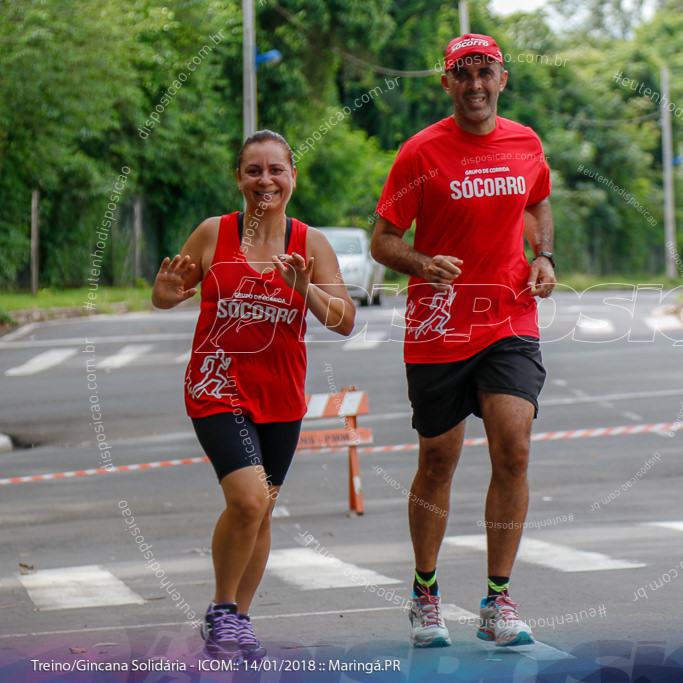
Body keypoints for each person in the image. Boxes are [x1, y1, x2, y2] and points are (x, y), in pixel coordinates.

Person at [371, 33, 556, 648]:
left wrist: (544, 255)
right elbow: (383, 238)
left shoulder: (525, 143)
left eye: (486, 72)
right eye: (463, 73)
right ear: (446, 83)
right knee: (438, 460)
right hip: (439, 324)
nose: (475, 84)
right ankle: (426, 595)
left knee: (515, 448)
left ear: (502, 79)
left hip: (508, 316)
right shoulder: (420, 153)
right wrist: (422, 264)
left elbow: (536, 204)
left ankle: (498, 601)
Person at [151, 130, 356, 660]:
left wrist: (304, 289)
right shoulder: (212, 233)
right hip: (216, 386)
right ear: (238, 178)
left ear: (292, 176)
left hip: (282, 396)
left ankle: (238, 619)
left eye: (275, 170)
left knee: (261, 512)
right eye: (253, 170)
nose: (265, 180)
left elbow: (345, 321)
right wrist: (165, 294)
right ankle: (222, 609)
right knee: (248, 499)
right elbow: (170, 292)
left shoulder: (308, 243)